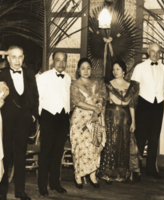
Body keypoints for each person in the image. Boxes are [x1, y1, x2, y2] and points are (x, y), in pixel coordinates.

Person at [0, 46, 39, 200]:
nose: (17, 60)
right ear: (8, 59)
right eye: (13, 57)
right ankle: (2, 192)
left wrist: (34, 115)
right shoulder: (1, 74)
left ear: (23, 58)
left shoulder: (29, 73)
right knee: (5, 157)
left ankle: (20, 191)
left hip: (24, 121)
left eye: (20, 57)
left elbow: (35, 95)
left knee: (20, 156)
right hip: (6, 122)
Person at [98, 60, 141, 184]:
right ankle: (108, 174)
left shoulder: (131, 86)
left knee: (123, 144)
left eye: (118, 69)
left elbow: (131, 105)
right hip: (111, 117)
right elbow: (103, 104)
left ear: (123, 71)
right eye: (113, 69)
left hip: (125, 118)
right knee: (111, 143)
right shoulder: (108, 84)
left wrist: (133, 122)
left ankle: (122, 174)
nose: (115, 72)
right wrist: (102, 121)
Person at [131, 43, 164, 179]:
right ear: (148, 52)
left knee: (154, 137)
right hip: (143, 104)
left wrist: (158, 99)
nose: (155, 54)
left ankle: (151, 169)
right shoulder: (139, 67)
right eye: (152, 51)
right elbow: (134, 89)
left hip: (158, 105)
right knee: (140, 137)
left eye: (158, 52)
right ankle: (136, 170)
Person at [36, 51, 71, 196]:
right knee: (46, 152)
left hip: (63, 118)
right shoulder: (43, 77)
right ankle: (42, 185)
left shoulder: (68, 78)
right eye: (58, 60)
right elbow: (38, 98)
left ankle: (55, 183)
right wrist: (42, 119)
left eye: (63, 60)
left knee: (58, 152)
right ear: (53, 61)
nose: (61, 63)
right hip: (48, 116)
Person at [70, 58, 106, 189]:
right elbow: (77, 101)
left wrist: (100, 105)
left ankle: (92, 175)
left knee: (94, 147)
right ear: (78, 70)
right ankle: (78, 176)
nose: (86, 71)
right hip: (80, 120)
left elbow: (102, 96)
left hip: (95, 118)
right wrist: (93, 108)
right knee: (80, 147)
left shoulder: (97, 83)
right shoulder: (74, 84)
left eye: (88, 68)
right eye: (83, 68)